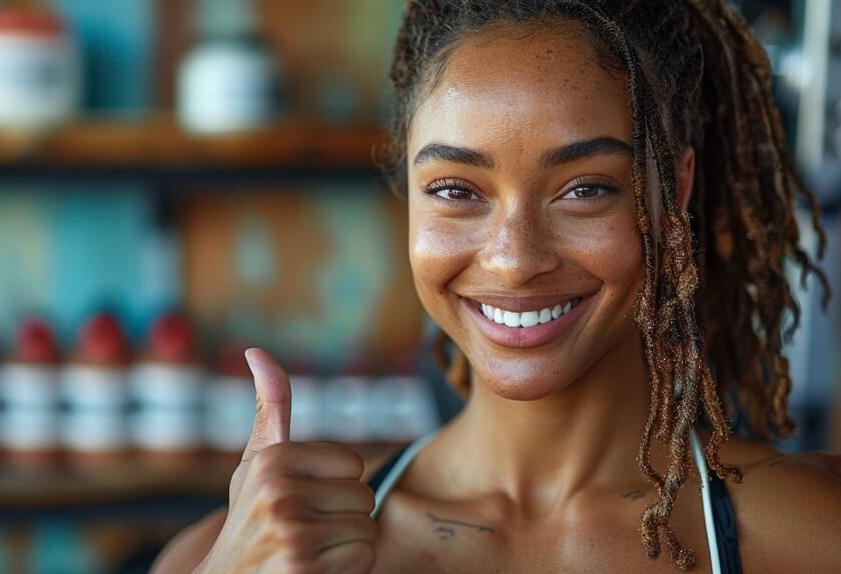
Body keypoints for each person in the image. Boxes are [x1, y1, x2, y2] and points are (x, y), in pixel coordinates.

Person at [153, 1, 841, 572]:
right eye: (456, 190)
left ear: (676, 192)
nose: (514, 260)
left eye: (585, 189)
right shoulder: (232, 556)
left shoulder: (809, 537)